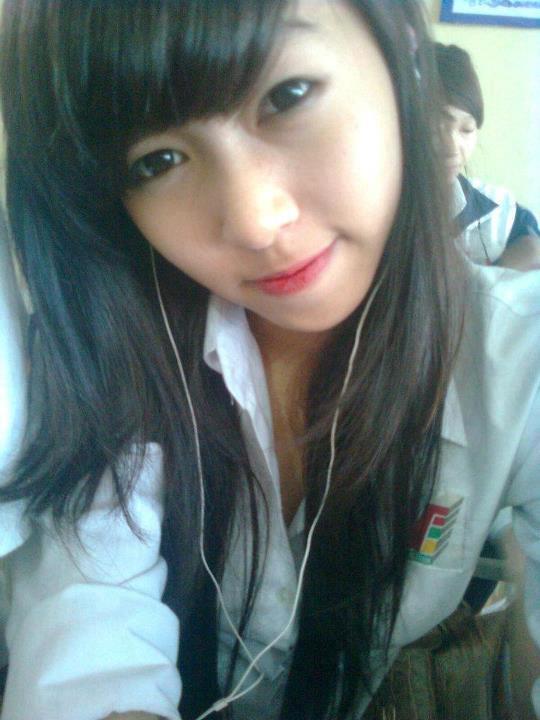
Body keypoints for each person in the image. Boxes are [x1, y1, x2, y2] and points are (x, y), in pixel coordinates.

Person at [0, 2, 539, 720]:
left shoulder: (518, 358)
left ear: (404, 51)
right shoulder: (119, 336)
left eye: (287, 95)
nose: (255, 221)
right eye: (157, 161)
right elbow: (91, 608)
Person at [434, 42, 540, 269]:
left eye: (467, 129)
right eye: (436, 126)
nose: (452, 148)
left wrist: (499, 271)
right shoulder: (374, 211)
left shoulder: (495, 210)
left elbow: (533, 247)